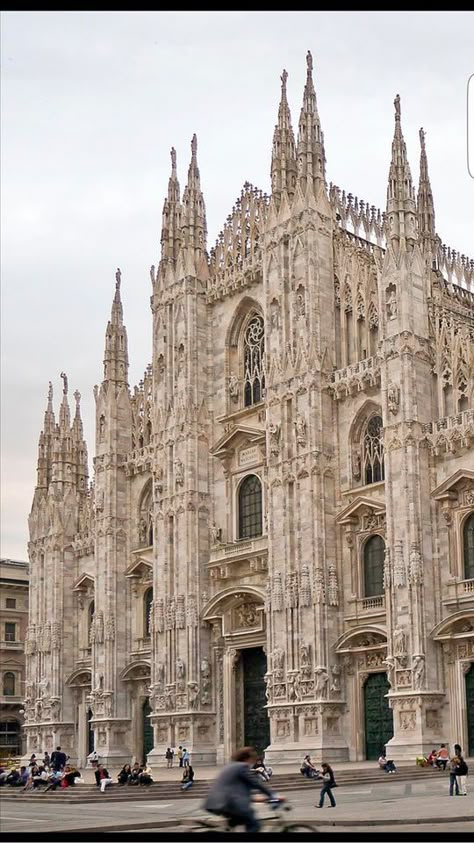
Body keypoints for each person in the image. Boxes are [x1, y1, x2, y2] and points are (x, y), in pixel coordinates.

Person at [203, 746, 283, 833]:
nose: (253, 761)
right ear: (247, 758)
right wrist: (273, 795)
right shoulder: (241, 767)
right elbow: (256, 784)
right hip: (228, 803)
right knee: (254, 825)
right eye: (253, 758)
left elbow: (237, 791)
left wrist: (265, 799)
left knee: (237, 822)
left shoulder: (230, 766)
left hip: (216, 802)